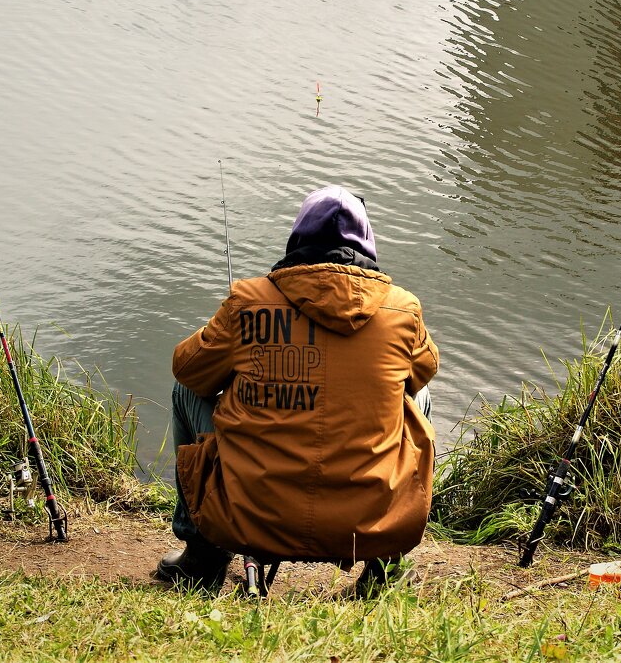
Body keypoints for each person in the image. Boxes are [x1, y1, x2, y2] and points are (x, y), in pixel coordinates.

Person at [156, 185, 439, 592]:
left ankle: (204, 554)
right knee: (417, 396)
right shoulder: (402, 309)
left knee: (187, 393)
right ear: (368, 244)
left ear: (297, 240)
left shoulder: (249, 300)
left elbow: (188, 371)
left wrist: (233, 339)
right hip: (365, 525)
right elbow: (426, 370)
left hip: (249, 514)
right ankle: (382, 571)